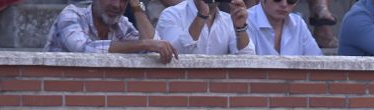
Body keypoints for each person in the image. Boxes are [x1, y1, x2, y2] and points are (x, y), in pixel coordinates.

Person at [45, 0, 178, 61]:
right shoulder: (71, 14)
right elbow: (84, 49)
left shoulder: (121, 24)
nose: (116, 5)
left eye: (123, 1)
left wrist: (136, 6)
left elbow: (155, 46)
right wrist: (143, 43)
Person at [154, 0, 254, 54]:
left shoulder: (228, 20)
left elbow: (248, 56)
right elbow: (173, 53)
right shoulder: (172, 14)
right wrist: (202, 15)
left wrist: (240, 28)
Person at [247, 0, 322, 56]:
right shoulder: (245, 20)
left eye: (291, 0)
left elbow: (317, 61)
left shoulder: (298, 23)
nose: (284, 4)